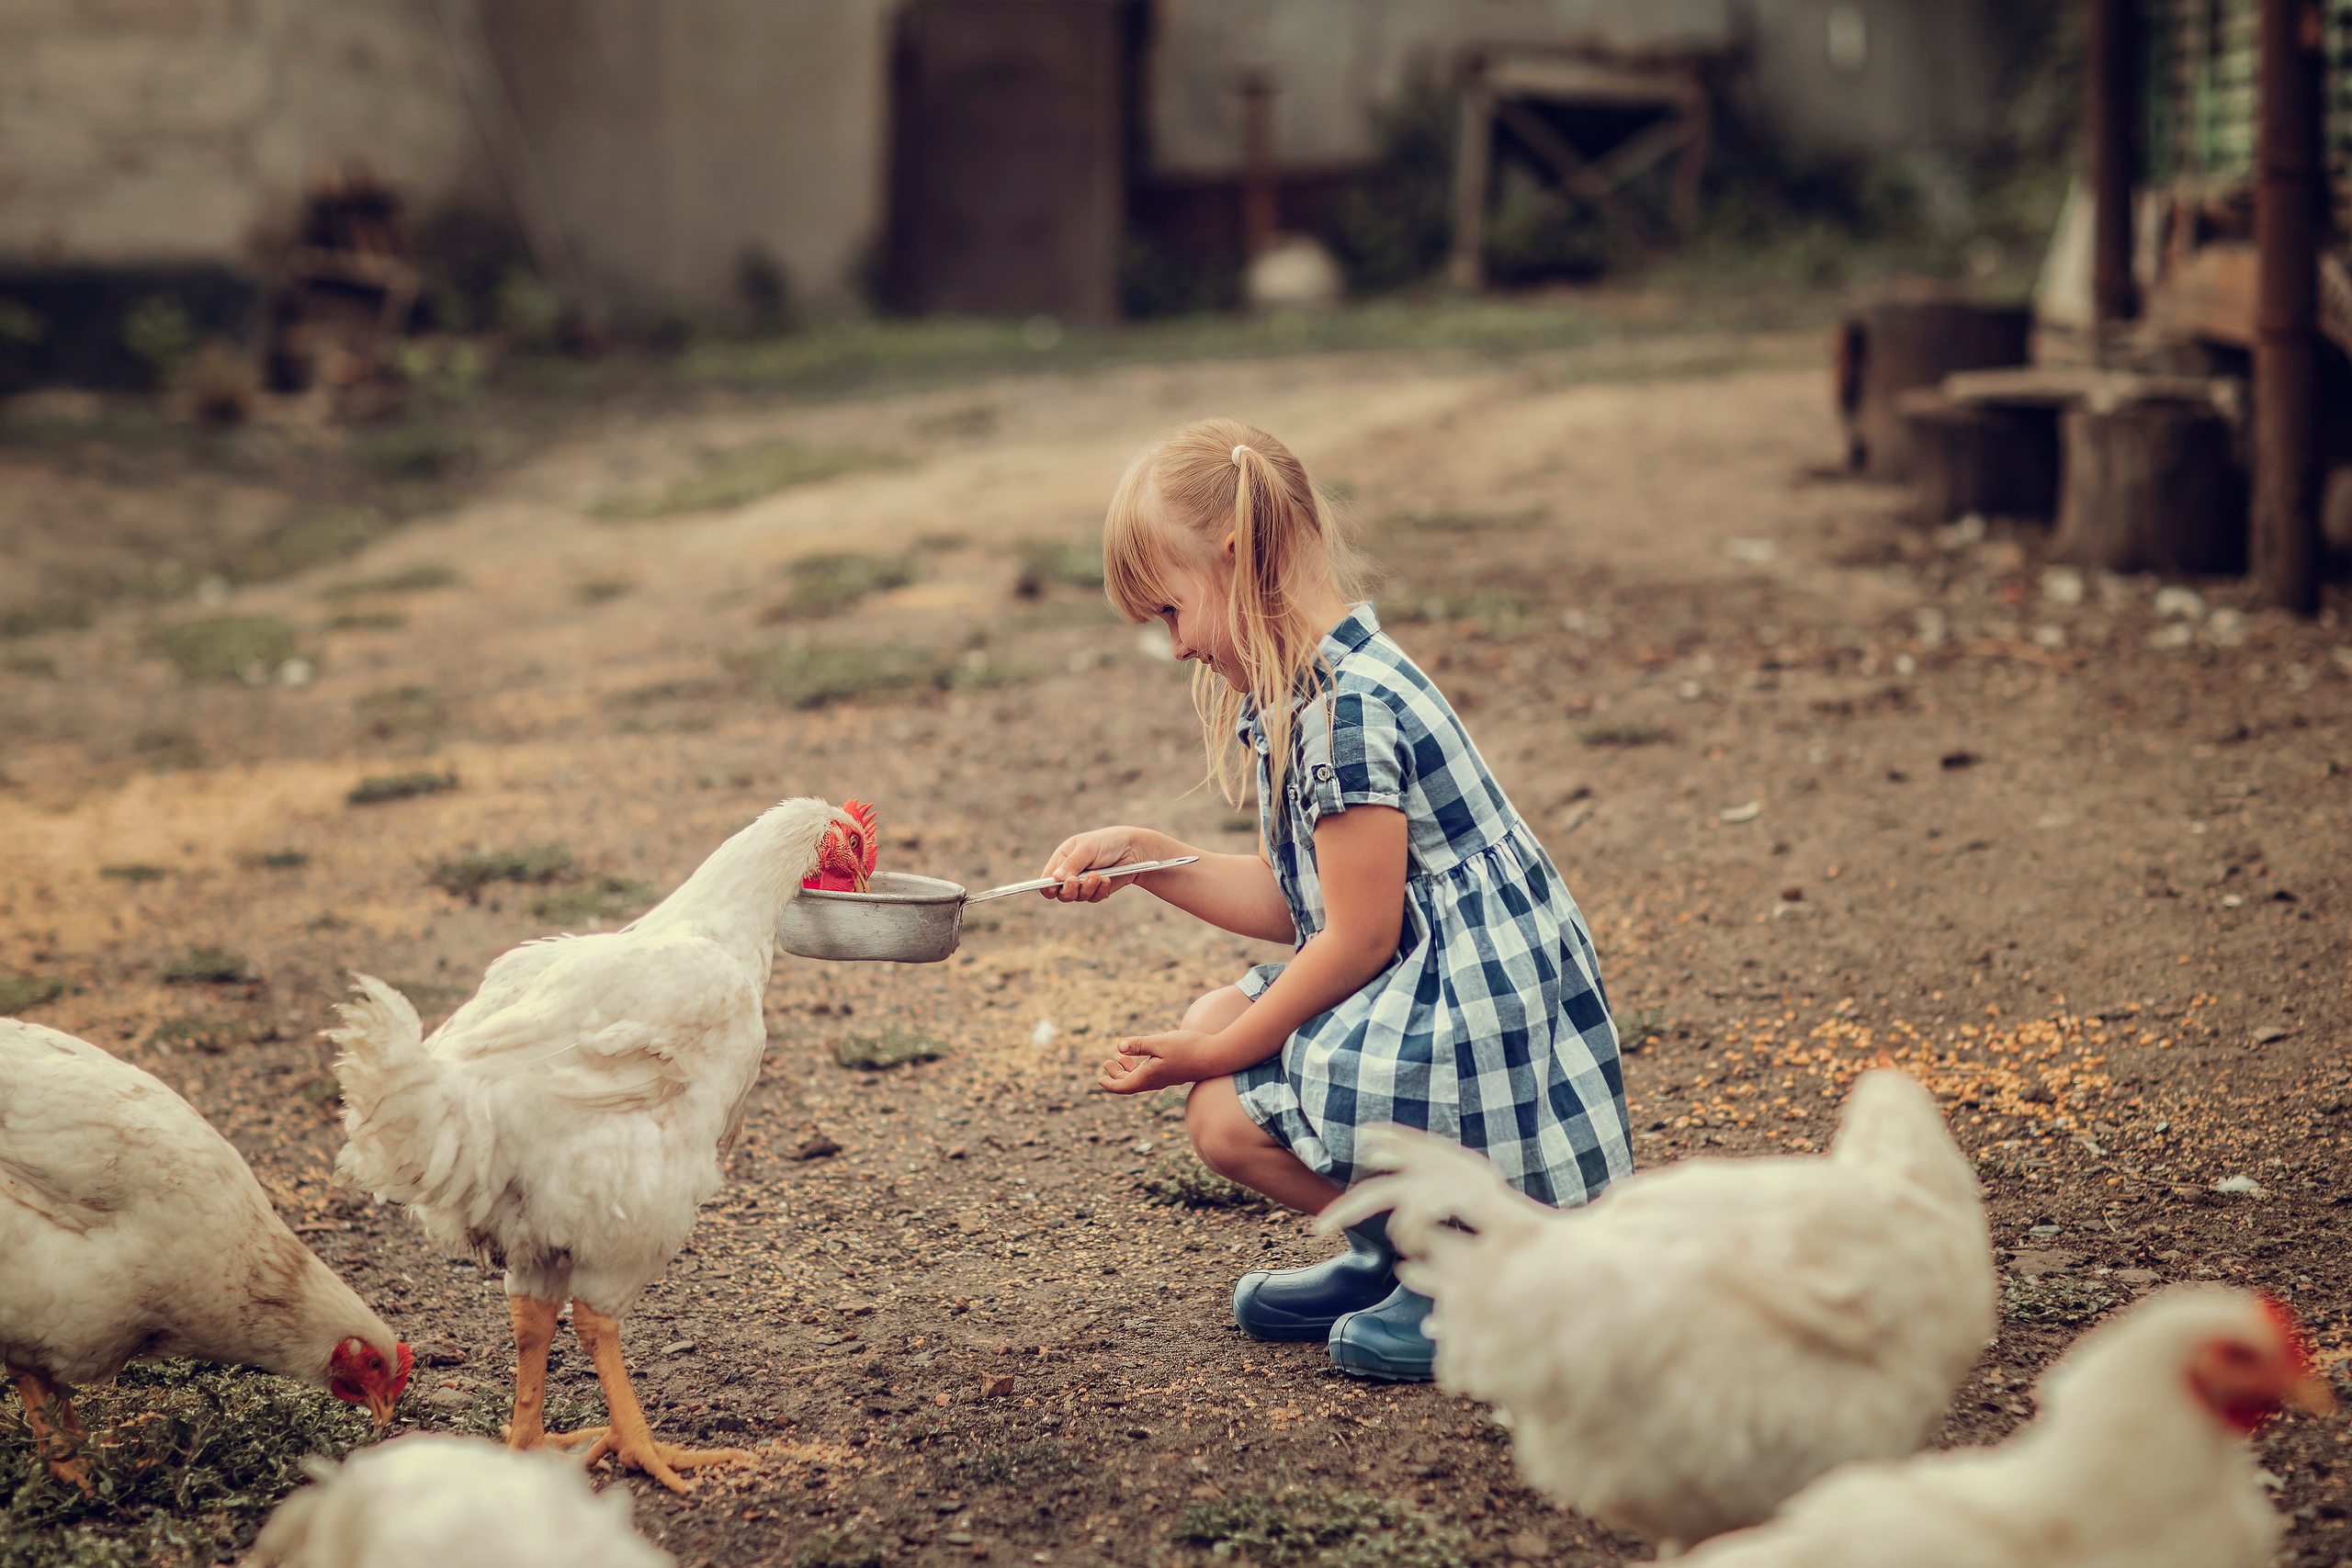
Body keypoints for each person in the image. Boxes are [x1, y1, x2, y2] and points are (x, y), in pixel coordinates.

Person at [1036, 417, 1633, 1382]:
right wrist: (1152, 858)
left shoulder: (1346, 709)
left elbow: (1355, 938)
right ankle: (1397, 1255)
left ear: (1235, 559)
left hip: (1464, 1014)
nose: (1178, 646)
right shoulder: (1321, 684)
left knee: (1222, 1099)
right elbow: (1303, 900)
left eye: (1170, 612)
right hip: (1423, 977)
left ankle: (1470, 1273)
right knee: (1220, 1036)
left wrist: (1221, 1051)